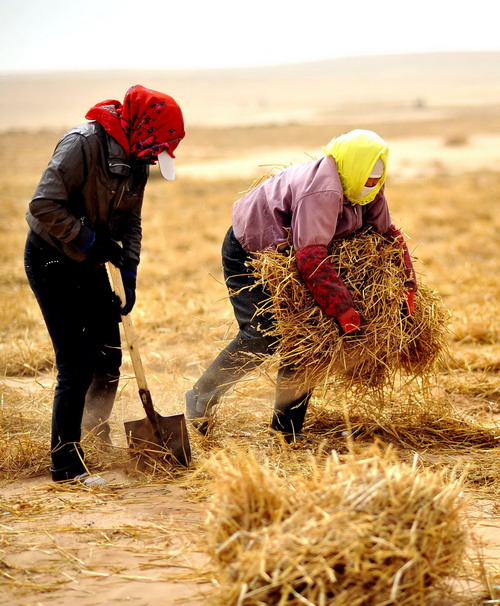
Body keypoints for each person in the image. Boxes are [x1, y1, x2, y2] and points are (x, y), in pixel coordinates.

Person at [185, 129, 416, 442]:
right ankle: (201, 396)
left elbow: (388, 236)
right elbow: (311, 255)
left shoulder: (366, 185)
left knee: (308, 340)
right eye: (368, 179)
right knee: (264, 334)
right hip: (254, 251)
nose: (371, 186)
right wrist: (342, 309)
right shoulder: (323, 191)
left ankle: (286, 434)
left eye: (376, 180)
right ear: (354, 166)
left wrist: (408, 286)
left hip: (295, 258)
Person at [24, 84, 185, 484]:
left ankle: (95, 435)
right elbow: (43, 205)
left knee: (108, 357)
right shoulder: (83, 144)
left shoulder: (138, 156)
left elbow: (130, 221)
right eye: (156, 147)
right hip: (51, 257)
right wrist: (91, 241)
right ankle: (66, 463)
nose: (155, 157)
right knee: (75, 362)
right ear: (143, 129)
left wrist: (128, 273)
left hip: (91, 260)